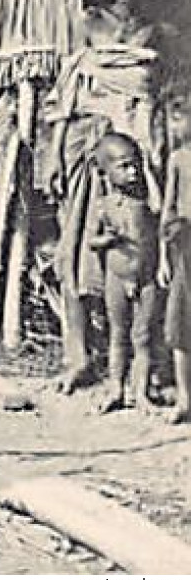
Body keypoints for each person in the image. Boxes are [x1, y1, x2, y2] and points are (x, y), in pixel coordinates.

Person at [48, 0, 176, 392]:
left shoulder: (159, 33)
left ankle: (148, 366)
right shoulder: (89, 23)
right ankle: (79, 357)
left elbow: (162, 99)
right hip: (89, 150)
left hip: (135, 156)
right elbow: (68, 92)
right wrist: (53, 156)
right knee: (75, 250)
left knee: (142, 254)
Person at [86, 132, 162, 413]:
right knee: (118, 334)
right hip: (116, 278)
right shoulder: (104, 206)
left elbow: (159, 208)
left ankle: (140, 393)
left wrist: (150, 174)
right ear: (106, 171)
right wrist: (109, 240)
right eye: (123, 166)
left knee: (142, 336)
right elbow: (91, 242)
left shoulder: (145, 201)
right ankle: (115, 388)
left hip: (146, 276)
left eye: (135, 165)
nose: (132, 172)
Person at [159, 97, 191, 424]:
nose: (174, 127)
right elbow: (169, 208)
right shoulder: (177, 159)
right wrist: (162, 259)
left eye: (179, 120)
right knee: (179, 322)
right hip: (184, 247)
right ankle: (184, 397)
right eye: (172, 121)